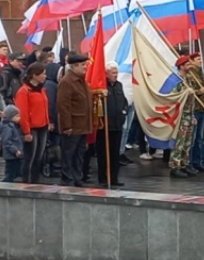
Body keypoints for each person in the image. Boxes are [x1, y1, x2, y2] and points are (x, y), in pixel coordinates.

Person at [57, 53, 92, 187]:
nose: (85, 67)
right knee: (69, 153)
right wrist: (67, 126)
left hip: (82, 125)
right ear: (75, 66)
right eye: (83, 65)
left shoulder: (82, 80)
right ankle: (67, 178)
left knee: (79, 154)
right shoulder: (67, 82)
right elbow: (63, 105)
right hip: (73, 125)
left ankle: (77, 177)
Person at [14, 62, 50, 184]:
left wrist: (48, 121)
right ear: (34, 75)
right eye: (43, 74)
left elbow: (44, 107)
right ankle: (27, 181)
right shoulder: (24, 91)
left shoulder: (42, 90)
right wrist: (26, 131)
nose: (45, 76)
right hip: (32, 128)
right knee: (30, 157)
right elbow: (22, 112)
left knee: (39, 157)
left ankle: (35, 181)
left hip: (43, 127)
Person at [97, 62, 127, 187]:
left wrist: (124, 111)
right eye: (113, 73)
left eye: (116, 73)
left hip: (117, 125)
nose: (116, 75)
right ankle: (104, 178)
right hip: (105, 126)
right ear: (106, 74)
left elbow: (123, 100)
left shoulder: (119, 85)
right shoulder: (102, 87)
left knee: (115, 154)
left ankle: (114, 177)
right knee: (104, 153)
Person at [169, 55, 199, 178]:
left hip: (188, 115)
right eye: (187, 64)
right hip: (180, 116)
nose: (190, 66)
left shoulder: (189, 79)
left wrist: (192, 115)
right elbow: (173, 97)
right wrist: (185, 92)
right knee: (179, 143)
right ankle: (175, 166)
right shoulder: (177, 81)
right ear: (181, 66)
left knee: (187, 142)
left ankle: (184, 164)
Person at [186, 53, 204, 172]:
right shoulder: (190, 74)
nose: (200, 61)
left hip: (202, 109)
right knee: (192, 138)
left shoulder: (200, 73)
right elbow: (189, 91)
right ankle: (190, 162)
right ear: (191, 61)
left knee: (199, 138)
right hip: (195, 109)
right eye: (197, 59)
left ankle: (197, 161)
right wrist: (199, 91)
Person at [0, 106, 24, 183]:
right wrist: (15, 150)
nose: (19, 118)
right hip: (11, 155)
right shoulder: (7, 127)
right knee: (10, 173)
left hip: (16, 154)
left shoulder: (15, 126)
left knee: (15, 172)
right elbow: (7, 141)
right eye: (17, 116)